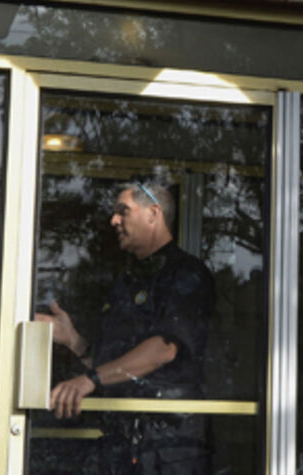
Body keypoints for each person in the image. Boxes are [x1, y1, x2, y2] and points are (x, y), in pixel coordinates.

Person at [38, 182, 215, 474]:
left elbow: (163, 350)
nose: (114, 221)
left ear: (153, 214)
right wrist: (74, 341)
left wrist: (89, 379)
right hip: (123, 443)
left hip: (169, 446)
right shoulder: (127, 282)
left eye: (123, 212)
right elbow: (113, 367)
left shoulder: (186, 274)